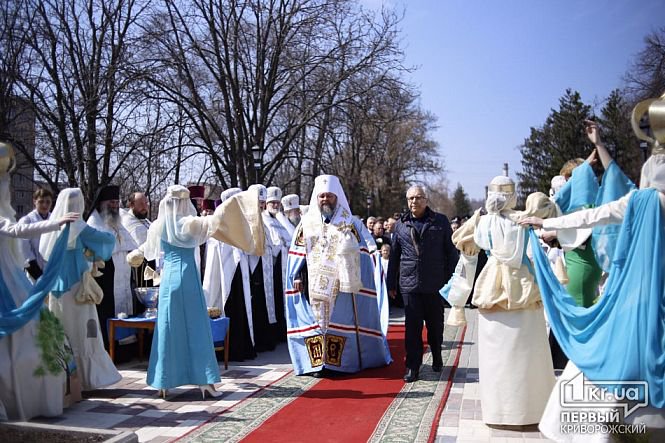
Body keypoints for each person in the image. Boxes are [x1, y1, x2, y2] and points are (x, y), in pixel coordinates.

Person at [127, 184, 263, 398]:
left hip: (168, 282)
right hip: (188, 279)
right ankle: (205, 380)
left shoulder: (158, 225)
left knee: (167, 329)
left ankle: (164, 381)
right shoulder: (189, 223)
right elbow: (216, 221)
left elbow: (145, 248)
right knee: (197, 328)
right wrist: (238, 202)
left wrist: (136, 254)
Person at [442, 177, 557, 425]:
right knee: (530, 352)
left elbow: (467, 261)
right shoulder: (526, 219)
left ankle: (499, 412)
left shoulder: (479, 223)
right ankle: (532, 410)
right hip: (525, 287)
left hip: (492, 286)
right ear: (514, 195)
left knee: (497, 355)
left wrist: (457, 303)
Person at [0, 142, 81, 421]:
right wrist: (55, 223)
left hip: (10, 277)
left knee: (30, 333)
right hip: (8, 280)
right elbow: (18, 230)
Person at [285, 174, 391, 377]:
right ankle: (317, 365)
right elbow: (296, 255)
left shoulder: (350, 223)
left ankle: (340, 364)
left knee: (339, 323)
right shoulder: (306, 224)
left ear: (337, 198)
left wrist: (366, 259)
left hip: (342, 287)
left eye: (330, 196)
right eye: (322, 196)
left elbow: (366, 249)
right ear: (317, 198)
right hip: (312, 285)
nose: (325, 199)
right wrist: (297, 276)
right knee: (316, 325)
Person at [40, 188, 121, 391]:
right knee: (84, 332)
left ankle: (63, 378)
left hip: (57, 287)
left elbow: (45, 253)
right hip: (77, 286)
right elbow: (104, 241)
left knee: (62, 331)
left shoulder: (54, 225)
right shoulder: (77, 224)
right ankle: (86, 378)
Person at [386, 185, 458, 382]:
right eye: (410, 198)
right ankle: (413, 367)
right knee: (412, 328)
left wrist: (451, 280)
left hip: (435, 283)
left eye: (418, 198)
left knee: (435, 326)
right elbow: (394, 257)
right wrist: (391, 283)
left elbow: (451, 253)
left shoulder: (440, 221)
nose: (414, 202)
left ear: (426, 200)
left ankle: (436, 354)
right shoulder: (401, 224)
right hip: (410, 284)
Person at [202, 188, 257, 361]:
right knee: (229, 307)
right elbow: (214, 255)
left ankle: (243, 347)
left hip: (240, 272)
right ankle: (228, 349)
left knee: (242, 310)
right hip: (223, 275)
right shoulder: (218, 221)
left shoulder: (242, 221)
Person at [87, 185, 137, 353]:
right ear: (102, 204)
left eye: (117, 202)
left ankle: (124, 350)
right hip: (104, 278)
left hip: (122, 275)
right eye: (111, 202)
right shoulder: (94, 225)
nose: (115, 206)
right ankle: (108, 349)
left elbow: (130, 244)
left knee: (125, 308)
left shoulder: (118, 224)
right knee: (106, 313)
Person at [18, 188, 54, 280]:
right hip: (33, 271)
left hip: (52, 269)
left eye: (48, 202)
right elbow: (23, 249)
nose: (45, 205)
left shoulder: (54, 220)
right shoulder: (26, 221)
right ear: (35, 201)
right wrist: (36, 273)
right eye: (41, 201)